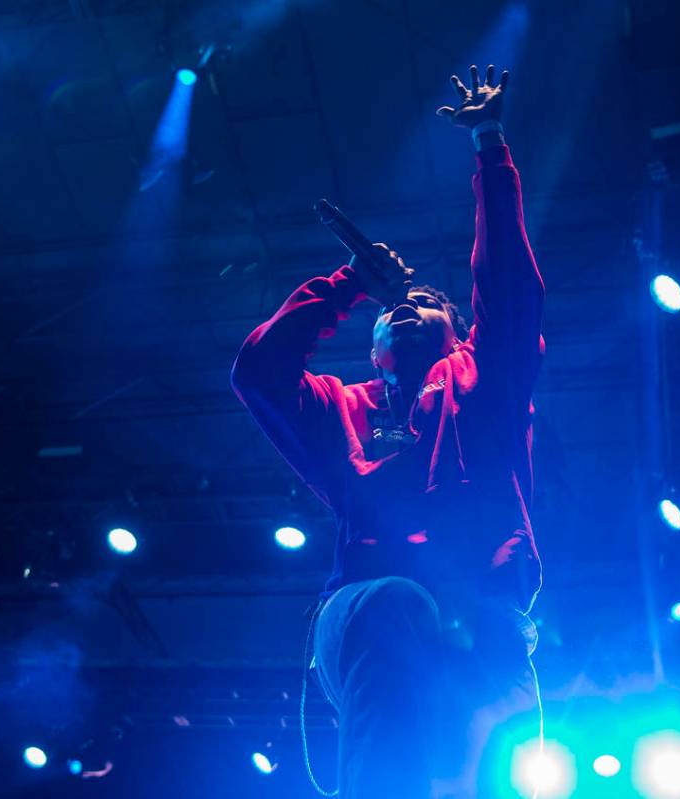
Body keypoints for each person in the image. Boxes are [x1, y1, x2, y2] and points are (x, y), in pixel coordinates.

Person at [230, 64, 545, 799]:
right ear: (371, 343)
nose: (408, 307)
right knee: (394, 604)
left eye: (431, 304)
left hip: (479, 617)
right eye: (393, 308)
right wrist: (344, 285)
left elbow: (510, 290)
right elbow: (257, 372)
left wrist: (489, 144)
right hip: (366, 609)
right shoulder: (341, 406)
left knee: (492, 756)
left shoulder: (483, 384)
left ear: (459, 331)